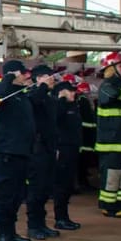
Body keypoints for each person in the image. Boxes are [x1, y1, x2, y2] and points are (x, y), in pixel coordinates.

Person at [0, 59, 36, 241]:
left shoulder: (21, 95)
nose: (26, 76)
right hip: (7, 152)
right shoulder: (3, 92)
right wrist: (8, 78)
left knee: (18, 195)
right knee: (6, 195)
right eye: (22, 73)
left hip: (22, 151)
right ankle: (4, 234)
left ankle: (12, 231)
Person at [94, 52, 121, 218]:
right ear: (111, 69)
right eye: (120, 66)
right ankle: (108, 206)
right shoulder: (106, 86)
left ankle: (120, 203)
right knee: (111, 175)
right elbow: (112, 96)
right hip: (110, 142)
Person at [24, 65, 61, 239]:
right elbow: (34, 102)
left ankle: (42, 223)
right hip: (36, 149)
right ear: (37, 79)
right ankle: (33, 225)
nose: (52, 79)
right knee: (36, 189)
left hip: (49, 147)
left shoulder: (50, 98)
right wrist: (42, 86)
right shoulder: (31, 94)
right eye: (47, 77)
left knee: (46, 188)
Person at [52, 79, 82, 230]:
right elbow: (56, 118)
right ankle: (60, 218)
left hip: (72, 149)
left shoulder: (73, 106)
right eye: (70, 91)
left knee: (68, 185)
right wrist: (62, 98)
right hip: (62, 149)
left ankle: (65, 217)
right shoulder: (59, 105)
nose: (74, 93)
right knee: (61, 185)